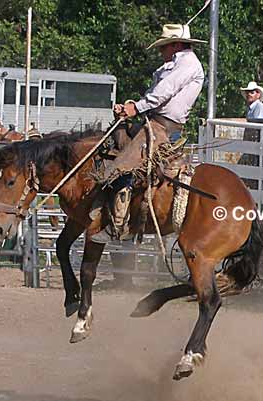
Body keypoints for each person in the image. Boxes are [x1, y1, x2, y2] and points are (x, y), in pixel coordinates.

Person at [90, 23, 206, 243]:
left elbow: (164, 91)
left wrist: (135, 108)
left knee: (122, 165)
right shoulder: (176, 64)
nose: (161, 52)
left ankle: (118, 223)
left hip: (163, 126)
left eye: (164, 47)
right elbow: (157, 93)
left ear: (176, 45)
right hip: (155, 121)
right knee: (114, 142)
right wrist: (133, 106)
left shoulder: (188, 64)